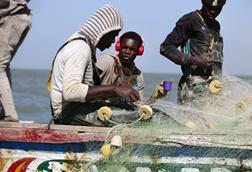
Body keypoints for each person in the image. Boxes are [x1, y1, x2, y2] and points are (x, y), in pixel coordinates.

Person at [48, 4, 140, 126]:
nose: (113, 41)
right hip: (68, 113)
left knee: (128, 110)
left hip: (77, 108)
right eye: (113, 35)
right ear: (103, 31)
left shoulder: (82, 45)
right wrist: (115, 89)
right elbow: (71, 91)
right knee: (133, 119)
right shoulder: (80, 49)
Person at [160, 0, 226, 105]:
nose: (213, 11)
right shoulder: (191, 20)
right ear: (203, 2)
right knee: (190, 121)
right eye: (209, 7)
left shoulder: (215, 25)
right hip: (191, 87)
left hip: (212, 87)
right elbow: (166, 47)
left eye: (217, 9)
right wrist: (194, 60)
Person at [0, 0, 32, 121]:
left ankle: (10, 114)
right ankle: (5, 111)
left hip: (12, 18)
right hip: (20, 17)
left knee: (0, 67)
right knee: (4, 65)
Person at [96, 31, 145, 101]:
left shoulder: (138, 76)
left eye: (132, 49)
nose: (127, 52)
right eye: (124, 47)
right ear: (118, 47)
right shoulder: (106, 60)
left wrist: (154, 97)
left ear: (139, 51)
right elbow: (88, 87)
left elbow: (138, 104)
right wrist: (115, 89)